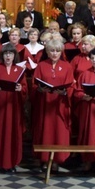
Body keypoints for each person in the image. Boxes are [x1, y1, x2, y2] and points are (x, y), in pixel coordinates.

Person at [32, 39, 74, 170]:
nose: (55, 53)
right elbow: (34, 84)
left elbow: (71, 86)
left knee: (59, 131)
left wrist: (65, 91)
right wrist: (39, 89)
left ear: (61, 52)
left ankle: (57, 159)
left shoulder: (67, 66)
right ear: (47, 52)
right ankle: (44, 159)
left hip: (60, 104)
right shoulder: (41, 65)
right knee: (46, 131)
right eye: (52, 51)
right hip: (45, 104)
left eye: (57, 51)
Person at [0, 43, 27, 173]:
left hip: (13, 107)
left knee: (12, 133)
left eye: (10, 53)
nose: (8, 56)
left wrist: (21, 89)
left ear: (14, 56)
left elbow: (25, 88)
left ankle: (11, 163)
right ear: (2, 55)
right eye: (5, 53)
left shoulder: (20, 70)